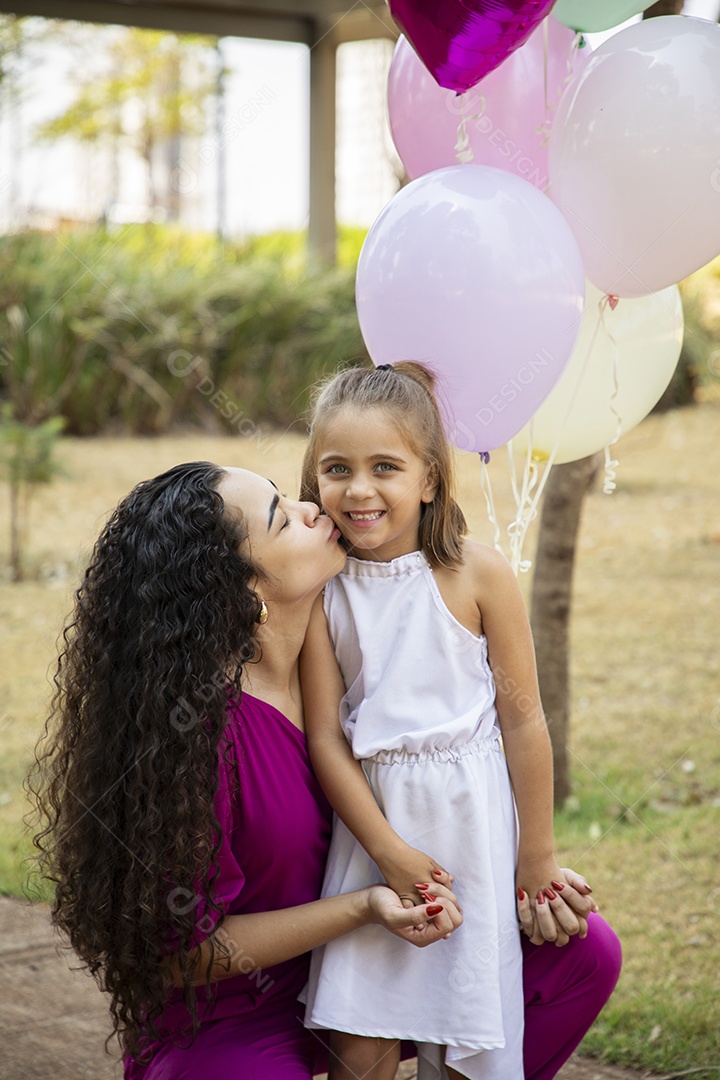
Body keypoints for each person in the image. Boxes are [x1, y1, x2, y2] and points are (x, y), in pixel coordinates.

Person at [29, 461, 463, 1080]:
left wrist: (526, 875)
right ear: (240, 588)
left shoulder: (359, 647)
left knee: (578, 960)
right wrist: (362, 907)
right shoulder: (197, 737)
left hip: (367, 974)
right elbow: (180, 958)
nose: (312, 508)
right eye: (283, 517)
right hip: (237, 1018)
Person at [298, 362, 621, 1080]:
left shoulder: (477, 573)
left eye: (385, 467)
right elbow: (326, 736)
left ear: (431, 479)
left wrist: (534, 854)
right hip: (374, 833)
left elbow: (523, 719)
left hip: (472, 830)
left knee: (465, 1027)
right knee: (362, 1034)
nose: (358, 489)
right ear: (313, 478)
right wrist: (388, 854)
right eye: (336, 469)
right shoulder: (324, 588)